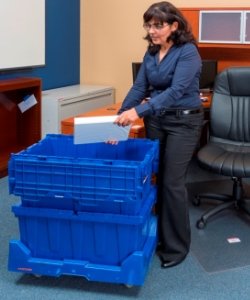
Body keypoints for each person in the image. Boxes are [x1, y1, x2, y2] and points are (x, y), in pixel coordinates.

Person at [109, 1, 204, 268]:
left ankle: (177, 248)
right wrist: (121, 118)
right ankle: (161, 236)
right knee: (158, 178)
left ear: (174, 26)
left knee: (173, 183)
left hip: (183, 124)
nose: (152, 30)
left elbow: (175, 92)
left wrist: (138, 112)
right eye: (149, 25)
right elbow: (139, 87)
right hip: (157, 121)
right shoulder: (151, 53)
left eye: (158, 25)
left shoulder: (188, 52)